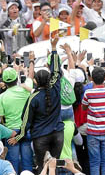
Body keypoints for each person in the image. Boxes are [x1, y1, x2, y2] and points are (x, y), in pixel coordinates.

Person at [11, 36, 64, 173]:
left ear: (35, 81)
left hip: (41, 137)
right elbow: (56, 70)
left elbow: (25, 121)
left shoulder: (33, 98)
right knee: (55, 167)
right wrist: (53, 49)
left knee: (42, 168)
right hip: (58, 134)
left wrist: (17, 137)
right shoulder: (55, 88)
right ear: (49, 79)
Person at [82, 67, 105, 175]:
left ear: (91, 79)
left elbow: (84, 108)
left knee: (94, 162)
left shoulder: (88, 93)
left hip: (92, 132)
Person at [0, 67, 32, 173]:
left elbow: (1, 118)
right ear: (17, 79)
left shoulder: (2, 97)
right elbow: (30, 80)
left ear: (4, 82)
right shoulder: (25, 90)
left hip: (11, 133)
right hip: (26, 130)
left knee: (12, 164)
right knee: (27, 162)